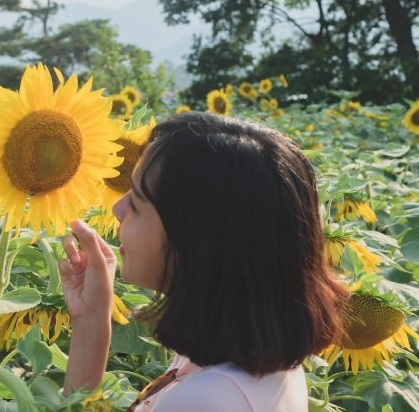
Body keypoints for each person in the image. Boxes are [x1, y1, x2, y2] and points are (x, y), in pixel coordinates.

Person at [59, 112, 348, 411]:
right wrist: (92, 321)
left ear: (194, 238)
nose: (118, 208)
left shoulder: (203, 400)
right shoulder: (244, 366)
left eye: (137, 202)